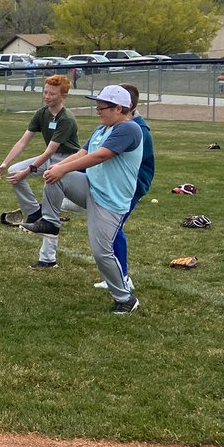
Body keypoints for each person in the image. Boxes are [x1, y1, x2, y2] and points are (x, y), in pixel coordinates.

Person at [21, 85, 144, 314]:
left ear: (119, 108)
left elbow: (100, 156)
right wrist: (59, 167)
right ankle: (50, 222)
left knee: (101, 253)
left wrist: (62, 168)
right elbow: (84, 152)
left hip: (109, 201)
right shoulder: (102, 129)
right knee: (55, 176)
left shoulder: (129, 129)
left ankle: (125, 298)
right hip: (91, 187)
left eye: (102, 108)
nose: (98, 111)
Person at [0, 74, 80, 268]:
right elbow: (23, 141)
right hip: (51, 158)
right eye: (45, 91)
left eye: (52, 93)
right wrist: (5, 163)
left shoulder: (66, 119)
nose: (47, 96)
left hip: (68, 161)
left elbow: (51, 150)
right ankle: (34, 212)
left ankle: (48, 257)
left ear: (63, 96)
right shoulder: (42, 113)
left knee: (54, 205)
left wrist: (29, 170)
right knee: (15, 172)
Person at [94, 83, 155, 292]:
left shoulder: (136, 129)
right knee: (110, 229)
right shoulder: (116, 126)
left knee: (114, 229)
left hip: (131, 186)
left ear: (123, 106)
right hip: (114, 183)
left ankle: (123, 277)